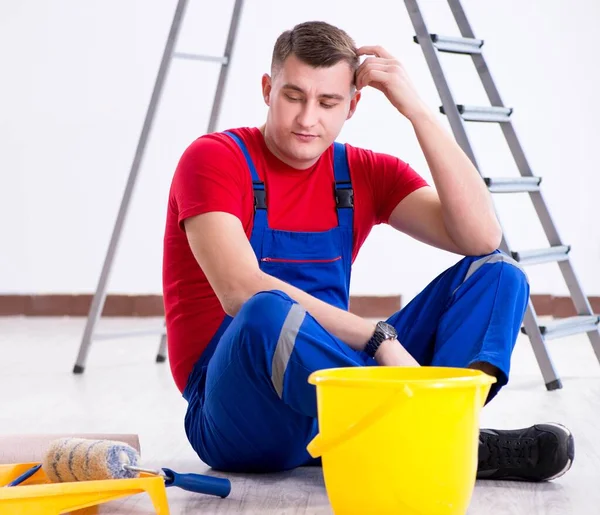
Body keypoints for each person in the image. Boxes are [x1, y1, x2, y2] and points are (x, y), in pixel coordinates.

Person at [162, 20, 574, 482]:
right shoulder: (215, 158)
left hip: (342, 392)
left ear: (353, 105)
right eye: (293, 96)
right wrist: (380, 338)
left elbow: (480, 237)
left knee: (499, 275)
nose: (307, 119)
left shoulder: (359, 172)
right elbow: (239, 290)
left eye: (328, 102)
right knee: (264, 312)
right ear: (267, 89)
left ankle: (429, 430)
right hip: (239, 410)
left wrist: (417, 110)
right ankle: (446, 439)